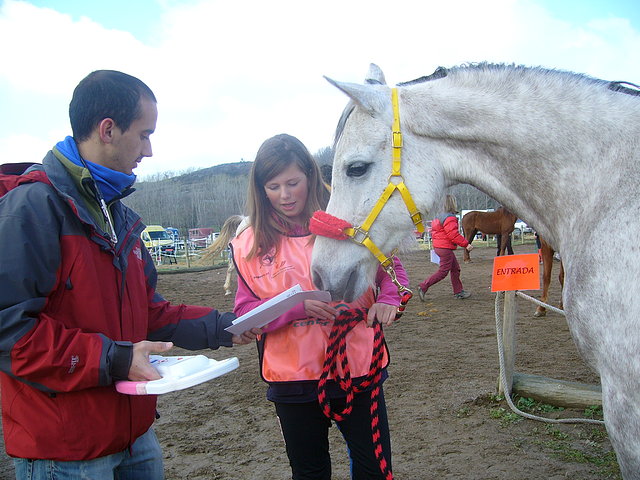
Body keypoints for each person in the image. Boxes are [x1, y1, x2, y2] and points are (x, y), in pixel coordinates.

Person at [0, 70, 259, 479]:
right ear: (108, 130)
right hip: (66, 453)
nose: (150, 150)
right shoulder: (31, 210)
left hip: (135, 438)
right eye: (144, 134)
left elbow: (149, 313)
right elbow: (10, 334)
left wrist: (226, 326)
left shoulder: (119, 215)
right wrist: (116, 359)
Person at [230, 134, 408, 480]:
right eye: (274, 186)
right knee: (309, 472)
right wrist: (298, 307)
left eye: (293, 183)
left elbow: (390, 269)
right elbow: (245, 311)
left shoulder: (348, 222)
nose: (285, 195)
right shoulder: (248, 244)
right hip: (293, 380)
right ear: (260, 189)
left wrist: (389, 298)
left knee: (374, 468)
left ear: (311, 177)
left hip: (357, 369)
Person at [418, 194, 473, 300]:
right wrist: (466, 244)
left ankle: (458, 292)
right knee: (443, 272)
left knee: (455, 269)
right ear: (452, 204)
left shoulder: (437, 217)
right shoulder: (450, 218)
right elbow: (453, 235)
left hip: (439, 247)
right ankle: (423, 286)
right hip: (445, 248)